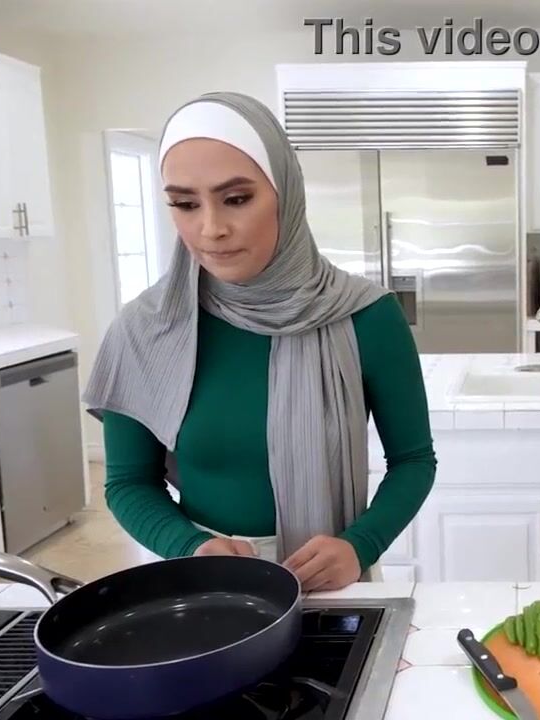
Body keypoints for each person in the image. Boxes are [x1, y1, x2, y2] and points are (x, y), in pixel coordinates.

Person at [82, 91, 436, 592]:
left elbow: (413, 462)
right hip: (207, 581)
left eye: (237, 199)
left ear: (285, 194)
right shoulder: (144, 329)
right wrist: (190, 547)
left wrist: (360, 545)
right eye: (185, 204)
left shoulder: (367, 316)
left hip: (332, 582)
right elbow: (128, 482)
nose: (211, 229)